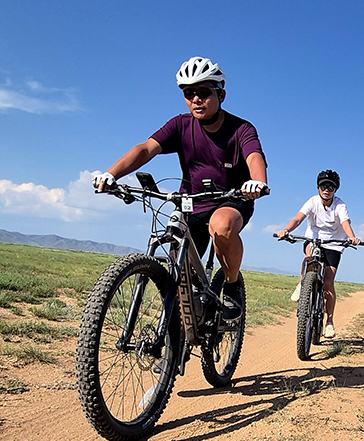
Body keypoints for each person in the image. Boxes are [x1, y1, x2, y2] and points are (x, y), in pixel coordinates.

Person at [93, 56, 268, 321]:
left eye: (204, 92)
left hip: (232, 198)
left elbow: (254, 155)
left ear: (221, 94)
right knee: (179, 269)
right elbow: (145, 149)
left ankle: (231, 284)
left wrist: (257, 181)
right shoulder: (180, 125)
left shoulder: (241, 128)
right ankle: (179, 338)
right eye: (189, 93)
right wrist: (111, 174)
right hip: (192, 202)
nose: (196, 99)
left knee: (221, 226)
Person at [277, 170, 360, 339]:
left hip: (335, 244)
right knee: (309, 258)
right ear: (318, 187)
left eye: (331, 186)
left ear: (335, 190)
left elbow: (345, 222)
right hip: (314, 238)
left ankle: (329, 321)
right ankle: (303, 284)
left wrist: (351, 237)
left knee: (328, 282)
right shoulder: (312, 201)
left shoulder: (340, 205)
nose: (327, 189)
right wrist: (286, 230)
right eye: (324, 186)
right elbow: (298, 219)